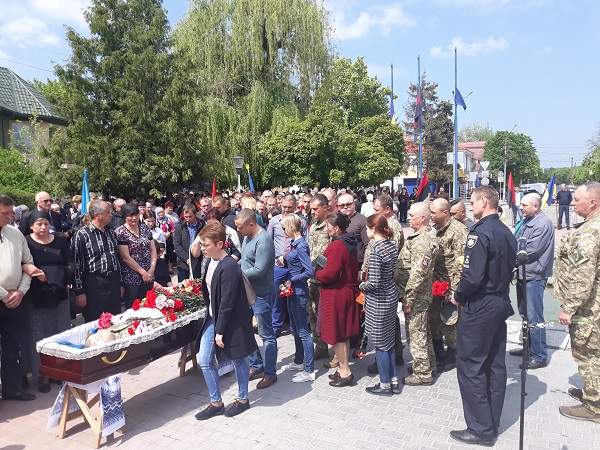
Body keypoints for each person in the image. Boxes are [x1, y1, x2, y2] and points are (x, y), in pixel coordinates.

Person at [449, 185, 517, 446]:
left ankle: (480, 429)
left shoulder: (480, 232)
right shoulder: (506, 231)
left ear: (484, 202)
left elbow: (473, 276)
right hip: (499, 301)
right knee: (494, 364)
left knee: (471, 366)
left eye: (473, 202)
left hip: (479, 305)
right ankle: (491, 420)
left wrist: (459, 295)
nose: (470, 207)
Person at [193, 221, 257, 420]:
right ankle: (216, 403)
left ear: (220, 244)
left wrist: (219, 330)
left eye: (206, 244)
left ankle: (243, 399)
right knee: (204, 359)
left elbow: (227, 302)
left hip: (231, 320)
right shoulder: (210, 262)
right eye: (202, 245)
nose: (202, 248)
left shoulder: (229, 266)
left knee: (239, 358)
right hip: (214, 317)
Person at [554, 182, 600, 422]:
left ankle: (594, 407)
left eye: (577, 199)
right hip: (594, 306)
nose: (572, 203)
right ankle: (592, 393)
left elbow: (583, 277)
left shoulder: (590, 232)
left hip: (588, 309)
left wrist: (568, 308)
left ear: (592, 203)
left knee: (587, 355)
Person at [24, 211, 71, 393]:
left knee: (59, 333)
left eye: (45, 223)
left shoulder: (60, 241)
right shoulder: (26, 243)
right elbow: (24, 265)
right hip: (36, 295)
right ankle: (42, 374)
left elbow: (70, 265)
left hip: (58, 294)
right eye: (39, 224)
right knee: (39, 335)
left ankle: (58, 371)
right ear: (31, 226)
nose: (43, 227)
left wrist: (51, 274)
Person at [233, 209, 278, 390]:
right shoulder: (247, 236)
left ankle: (270, 373)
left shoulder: (264, 240)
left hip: (261, 293)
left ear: (251, 224)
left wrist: (236, 274)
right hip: (247, 291)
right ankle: (256, 364)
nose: (238, 231)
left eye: (240, 227)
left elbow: (259, 270)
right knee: (245, 329)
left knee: (266, 334)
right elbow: (245, 261)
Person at [509, 193, 554, 369]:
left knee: (535, 316)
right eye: (521, 205)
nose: (521, 208)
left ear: (535, 206)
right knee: (525, 313)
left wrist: (506, 256)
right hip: (523, 274)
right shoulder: (527, 221)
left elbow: (530, 250)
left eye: (525, 205)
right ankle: (528, 347)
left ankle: (539, 355)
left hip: (534, 275)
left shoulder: (542, 224)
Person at [396, 202, 440, 386]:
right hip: (418, 295)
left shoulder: (423, 241)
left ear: (422, 218)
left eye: (412, 215)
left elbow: (417, 274)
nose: (408, 217)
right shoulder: (420, 237)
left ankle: (422, 373)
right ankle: (428, 364)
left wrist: (409, 298)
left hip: (416, 296)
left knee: (416, 334)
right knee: (423, 331)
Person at [315, 213, 360, 388]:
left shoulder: (338, 246)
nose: (326, 229)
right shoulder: (348, 242)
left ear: (336, 228)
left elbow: (329, 273)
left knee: (338, 336)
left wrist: (317, 273)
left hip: (336, 294)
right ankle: (342, 367)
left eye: (328, 226)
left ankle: (345, 371)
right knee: (343, 334)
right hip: (345, 291)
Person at [0, 195, 36, 401]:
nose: (10, 216)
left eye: (11, 212)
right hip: (6, 296)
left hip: (15, 300)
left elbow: (27, 263)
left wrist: (21, 291)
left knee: (13, 346)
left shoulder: (15, 234)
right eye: (5, 213)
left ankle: (12, 389)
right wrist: (5, 295)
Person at [364, 194, 405, 373]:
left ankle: (387, 372)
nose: (374, 211)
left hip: (381, 293)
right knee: (385, 334)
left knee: (383, 338)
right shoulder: (381, 240)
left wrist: (361, 286)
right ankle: (390, 370)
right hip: (384, 290)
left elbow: (382, 270)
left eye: (376, 209)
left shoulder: (390, 232)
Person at [360, 214, 399, 396]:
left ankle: (384, 385)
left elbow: (373, 282)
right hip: (390, 296)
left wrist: (360, 285)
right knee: (389, 342)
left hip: (379, 300)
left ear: (372, 228)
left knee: (381, 346)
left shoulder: (375, 248)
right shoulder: (391, 244)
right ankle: (393, 380)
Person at [429, 198, 468, 372]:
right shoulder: (435, 229)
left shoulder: (458, 231)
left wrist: (456, 290)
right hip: (435, 283)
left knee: (450, 323)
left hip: (450, 285)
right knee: (434, 321)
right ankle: (439, 356)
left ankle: (453, 356)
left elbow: (462, 263)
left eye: (433, 212)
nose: (430, 215)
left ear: (445, 213)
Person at [71, 200, 122, 322]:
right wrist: (79, 292)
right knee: (95, 322)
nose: (111, 215)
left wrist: (120, 283)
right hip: (94, 284)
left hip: (113, 282)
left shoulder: (111, 233)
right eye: (108, 212)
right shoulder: (82, 235)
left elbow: (117, 259)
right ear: (98, 215)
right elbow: (75, 264)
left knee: (114, 320)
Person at [281, 214, 315, 382]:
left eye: (284, 227)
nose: (283, 230)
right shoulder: (295, 244)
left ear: (291, 227)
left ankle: (309, 370)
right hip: (292, 291)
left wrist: (291, 279)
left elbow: (309, 271)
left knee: (303, 330)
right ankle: (299, 361)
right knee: (296, 328)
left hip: (298, 291)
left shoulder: (301, 245)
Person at [267, 194, 307, 336]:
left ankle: (293, 325)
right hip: (278, 264)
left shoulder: (301, 222)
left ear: (295, 207)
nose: (285, 210)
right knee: (277, 296)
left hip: (295, 265)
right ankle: (276, 326)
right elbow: (269, 242)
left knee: (294, 294)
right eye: (283, 206)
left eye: (289, 208)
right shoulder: (274, 221)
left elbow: (304, 242)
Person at [115, 204, 157, 309]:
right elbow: (126, 257)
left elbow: (153, 250)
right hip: (132, 277)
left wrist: (151, 270)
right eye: (130, 215)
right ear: (124, 216)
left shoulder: (144, 228)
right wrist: (143, 273)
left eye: (136, 215)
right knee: (134, 307)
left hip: (149, 273)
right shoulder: (120, 232)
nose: (134, 218)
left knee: (149, 304)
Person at [307, 194, 331, 361]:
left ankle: (330, 344)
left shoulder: (330, 226)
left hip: (325, 277)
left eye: (315, 209)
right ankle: (320, 345)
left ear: (325, 207)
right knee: (312, 311)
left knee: (324, 313)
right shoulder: (313, 226)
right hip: (312, 277)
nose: (312, 212)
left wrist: (315, 265)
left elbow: (331, 251)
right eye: (311, 209)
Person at [173, 204, 204, 281]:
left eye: (190, 216)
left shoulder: (202, 225)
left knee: (197, 285)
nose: (188, 219)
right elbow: (177, 245)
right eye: (186, 217)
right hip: (183, 261)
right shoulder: (179, 226)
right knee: (183, 287)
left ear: (195, 214)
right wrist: (187, 258)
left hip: (198, 260)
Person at [337, 193, 369, 265]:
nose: (345, 207)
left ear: (354, 204)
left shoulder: (362, 220)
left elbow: (368, 245)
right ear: (338, 206)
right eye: (342, 205)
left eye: (348, 204)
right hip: (339, 262)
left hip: (356, 264)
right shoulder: (335, 219)